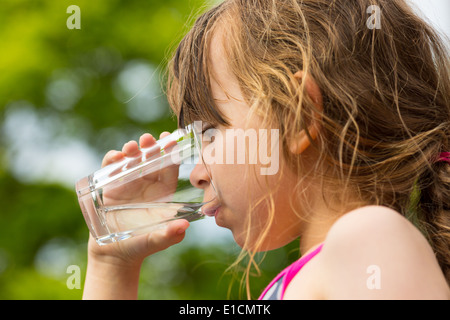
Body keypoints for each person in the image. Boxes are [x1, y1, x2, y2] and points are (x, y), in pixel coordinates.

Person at [82, 0, 450, 299]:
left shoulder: (368, 238)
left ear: (297, 117)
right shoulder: (319, 272)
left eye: (209, 133)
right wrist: (112, 266)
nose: (195, 173)